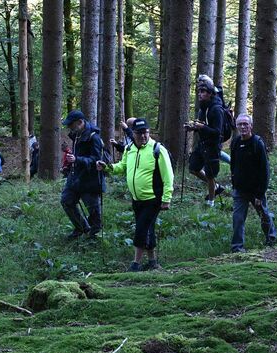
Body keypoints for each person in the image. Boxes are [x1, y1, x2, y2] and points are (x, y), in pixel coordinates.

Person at [96, 118, 174, 272]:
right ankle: (152, 262)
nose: (143, 136)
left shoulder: (157, 150)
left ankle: (135, 264)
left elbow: (168, 176)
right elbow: (122, 166)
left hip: (153, 198)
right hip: (136, 199)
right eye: (139, 133)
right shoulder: (129, 148)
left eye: (145, 132)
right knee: (148, 229)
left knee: (141, 229)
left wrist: (166, 198)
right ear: (133, 133)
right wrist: (108, 167)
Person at [229, 114, 277, 253]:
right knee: (237, 219)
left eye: (245, 124)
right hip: (239, 190)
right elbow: (233, 165)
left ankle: (271, 238)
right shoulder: (236, 142)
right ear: (237, 126)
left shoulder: (257, 143)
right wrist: (234, 182)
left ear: (251, 126)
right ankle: (237, 248)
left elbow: (264, 171)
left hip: (256, 190)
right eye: (240, 124)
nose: (243, 127)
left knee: (264, 214)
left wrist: (259, 194)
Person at [61, 110, 106, 239]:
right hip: (75, 178)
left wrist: (77, 159)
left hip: (90, 180)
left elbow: (97, 160)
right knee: (66, 201)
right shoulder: (76, 134)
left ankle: (95, 237)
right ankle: (82, 228)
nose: (69, 127)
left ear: (80, 122)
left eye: (71, 124)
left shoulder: (94, 137)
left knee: (93, 210)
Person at [187, 74, 226, 207]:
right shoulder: (204, 107)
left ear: (210, 93)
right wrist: (194, 127)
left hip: (212, 146)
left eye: (203, 91)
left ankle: (210, 202)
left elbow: (217, 133)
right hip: (202, 145)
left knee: (210, 175)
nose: (200, 94)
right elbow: (203, 126)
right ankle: (216, 186)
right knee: (193, 168)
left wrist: (202, 127)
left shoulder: (216, 109)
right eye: (199, 91)